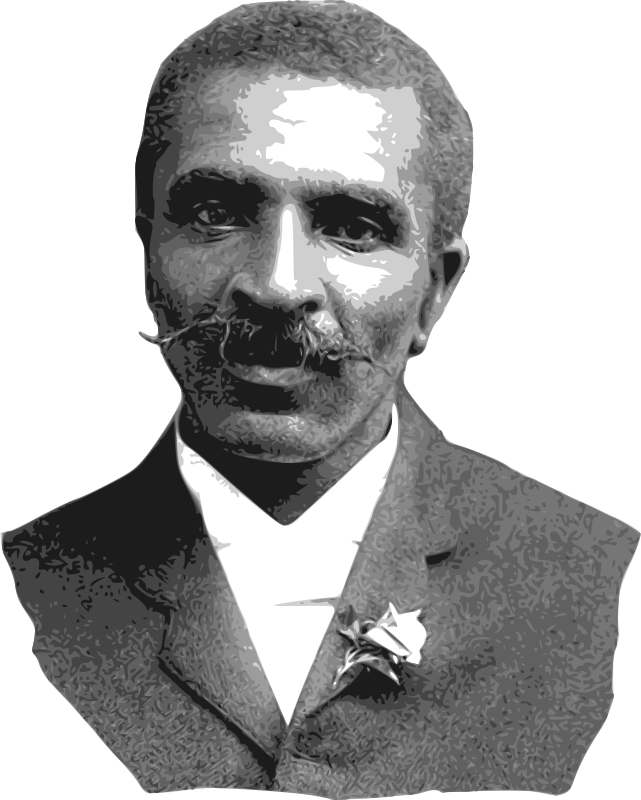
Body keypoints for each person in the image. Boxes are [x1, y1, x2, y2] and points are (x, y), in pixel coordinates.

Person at [2, 1, 638, 795]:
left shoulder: (600, 580)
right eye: (215, 213)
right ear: (146, 252)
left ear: (435, 292)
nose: (279, 285)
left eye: (355, 227)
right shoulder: (25, 582)